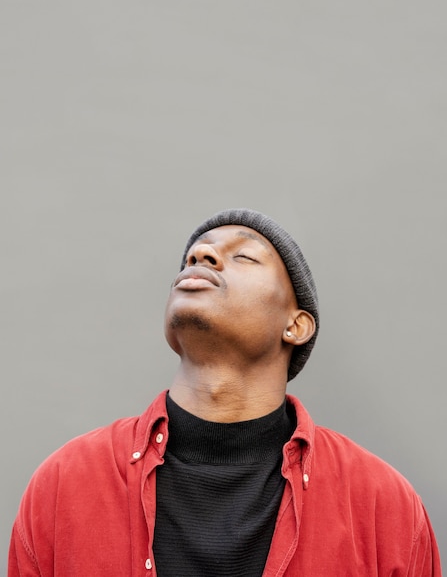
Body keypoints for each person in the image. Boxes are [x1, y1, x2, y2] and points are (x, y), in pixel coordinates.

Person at [8, 208, 441, 576]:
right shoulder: (66, 483)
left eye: (245, 256)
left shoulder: (383, 505)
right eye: (194, 256)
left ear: (296, 325)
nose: (201, 254)